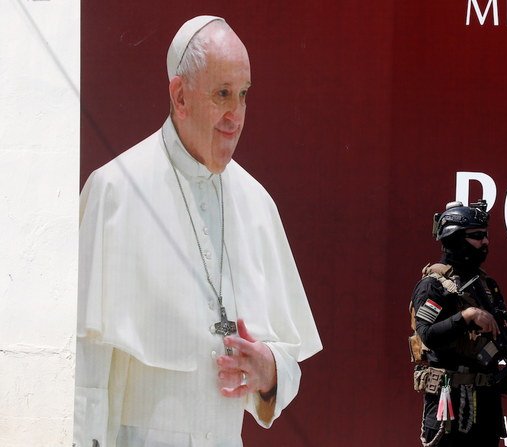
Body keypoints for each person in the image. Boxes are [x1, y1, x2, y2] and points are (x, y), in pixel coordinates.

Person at [74, 16, 322, 446]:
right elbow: (86, 360)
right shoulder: (115, 190)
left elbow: (287, 355)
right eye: (222, 94)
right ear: (180, 95)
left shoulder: (257, 203)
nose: (236, 116)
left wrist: (269, 370)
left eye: (243, 96)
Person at [411, 200, 507, 447]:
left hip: (486, 405)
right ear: (454, 237)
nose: (485, 242)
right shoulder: (434, 285)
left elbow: (505, 332)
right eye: (477, 236)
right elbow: (428, 334)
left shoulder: (485, 284)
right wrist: (467, 316)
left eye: (486, 235)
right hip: (449, 407)